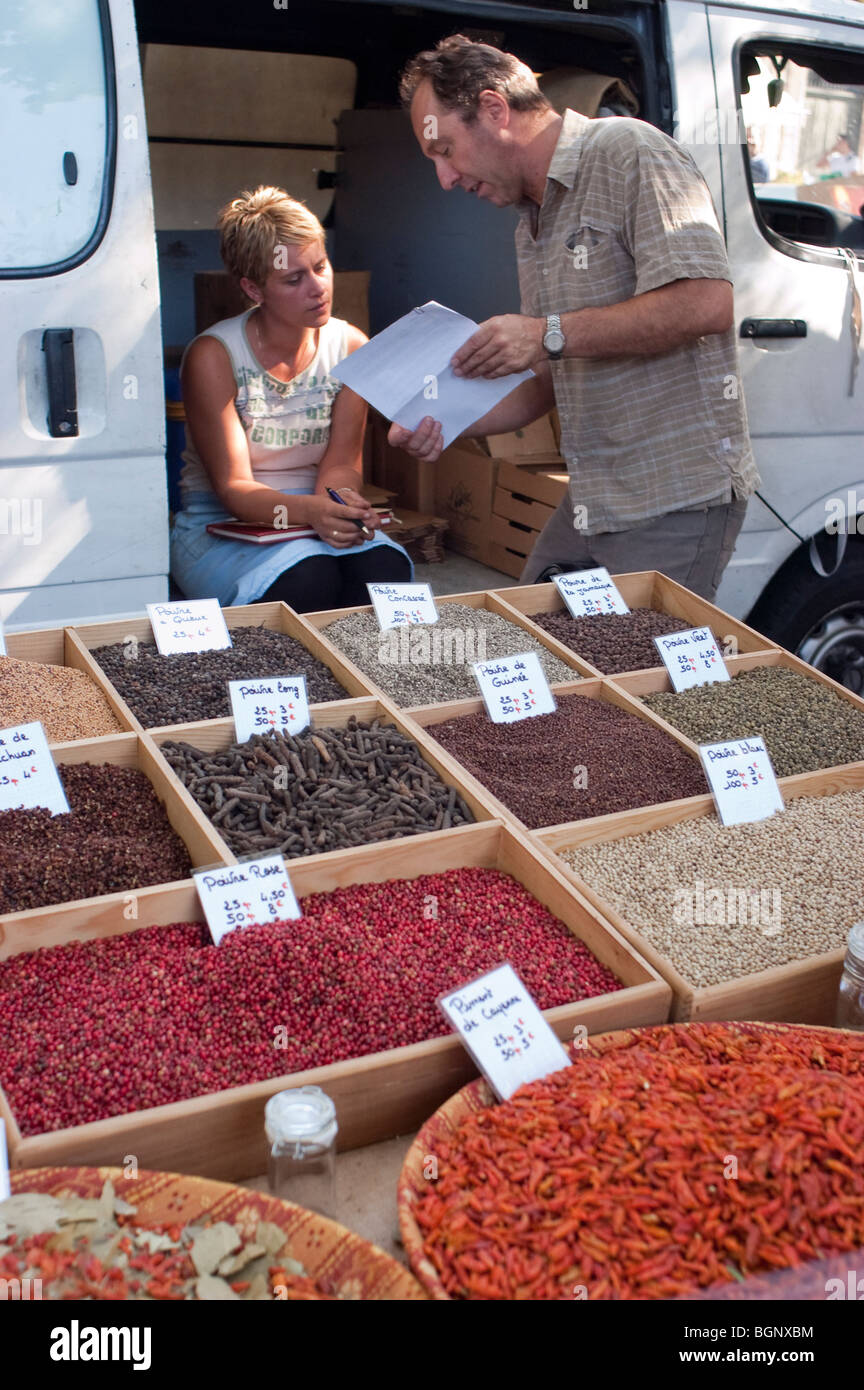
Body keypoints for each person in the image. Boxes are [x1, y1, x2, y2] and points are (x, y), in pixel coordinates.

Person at [391, 37, 759, 600]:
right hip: (595, 498)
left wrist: (545, 332)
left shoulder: (629, 150)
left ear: (494, 109)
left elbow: (706, 303)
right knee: (535, 654)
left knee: (638, 684)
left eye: (446, 151)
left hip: (674, 498)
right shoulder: (530, 220)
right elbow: (542, 382)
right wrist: (439, 419)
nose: (446, 179)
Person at [170, 186, 412, 612]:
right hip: (222, 525)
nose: (317, 288)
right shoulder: (215, 356)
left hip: (313, 511)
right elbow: (233, 488)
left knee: (386, 573)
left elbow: (340, 464)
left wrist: (340, 507)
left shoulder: (351, 345)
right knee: (307, 582)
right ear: (254, 288)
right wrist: (312, 513)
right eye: (293, 278)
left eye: (320, 266)